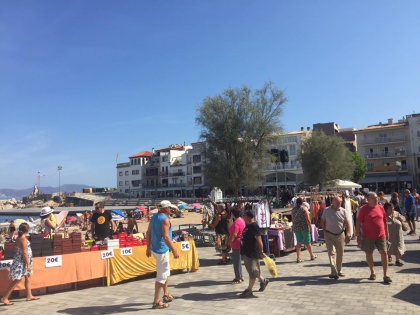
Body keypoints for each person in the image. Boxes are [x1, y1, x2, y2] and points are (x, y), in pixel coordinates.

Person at [146, 200, 179, 309]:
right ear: (166, 209)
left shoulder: (154, 217)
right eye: (170, 208)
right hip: (162, 249)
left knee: (165, 272)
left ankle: (166, 293)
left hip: (155, 248)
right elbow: (166, 237)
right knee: (161, 276)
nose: (171, 209)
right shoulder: (165, 219)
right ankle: (156, 301)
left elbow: (148, 233)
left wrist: (148, 248)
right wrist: (174, 250)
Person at [356, 192, 392, 284]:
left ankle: (386, 275)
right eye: (373, 198)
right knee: (369, 253)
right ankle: (372, 272)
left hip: (381, 235)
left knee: (384, 252)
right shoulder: (363, 209)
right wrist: (358, 236)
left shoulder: (380, 207)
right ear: (368, 199)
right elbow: (358, 223)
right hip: (368, 236)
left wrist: (387, 233)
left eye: (376, 198)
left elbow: (385, 222)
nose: (376, 199)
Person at [1, 223, 39, 305]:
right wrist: (28, 264)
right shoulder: (23, 239)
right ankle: (5, 297)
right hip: (22, 261)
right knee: (18, 279)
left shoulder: (19, 237)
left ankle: (29, 295)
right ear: (27, 229)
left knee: (27, 277)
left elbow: (17, 248)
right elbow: (24, 252)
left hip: (22, 260)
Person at [239, 211, 269, 298]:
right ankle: (263, 281)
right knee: (253, 271)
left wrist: (261, 251)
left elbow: (259, 240)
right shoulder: (248, 225)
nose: (243, 217)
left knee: (253, 271)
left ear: (248, 217)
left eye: (244, 215)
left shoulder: (254, 226)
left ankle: (249, 290)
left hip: (252, 253)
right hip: (246, 252)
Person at [321, 196, 351, 279]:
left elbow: (347, 223)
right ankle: (333, 272)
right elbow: (322, 222)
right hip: (329, 235)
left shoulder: (343, 211)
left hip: (340, 234)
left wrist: (348, 234)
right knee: (331, 253)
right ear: (333, 202)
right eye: (337, 202)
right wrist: (325, 231)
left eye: (340, 202)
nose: (339, 204)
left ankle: (339, 270)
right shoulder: (327, 210)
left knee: (340, 253)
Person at [291, 197, 317, 263]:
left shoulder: (293, 210)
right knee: (308, 242)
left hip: (297, 228)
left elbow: (293, 220)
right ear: (302, 202)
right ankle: (311, 255)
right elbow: (308, 219)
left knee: (298, 243)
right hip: (304, 227)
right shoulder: (304, 209)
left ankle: (298, 258)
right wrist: (310, 228)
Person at [226, 207, 246, 284]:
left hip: (236, 243)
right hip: (240, 243)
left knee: (236, 261)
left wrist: (228, 242)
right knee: (238, 261)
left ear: (233, 214)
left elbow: (234, 234)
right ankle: (240, 276)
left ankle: (238, 277)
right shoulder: (242, 220)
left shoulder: (236, 222)